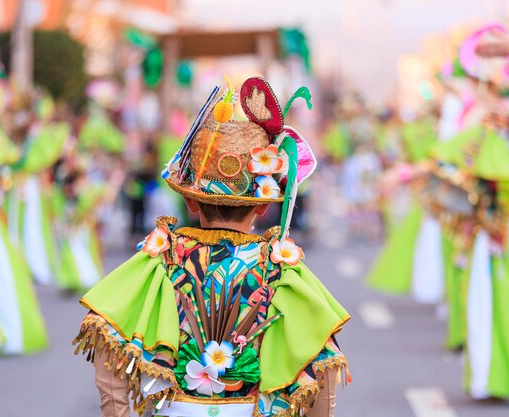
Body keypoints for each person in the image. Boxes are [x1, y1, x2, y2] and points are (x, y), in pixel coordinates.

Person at [73, 77, 350, 417]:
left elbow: (107, 348)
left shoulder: (164, 256)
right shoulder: (279, 266)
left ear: (190, 201)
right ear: (263, 206)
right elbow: (321, 367)